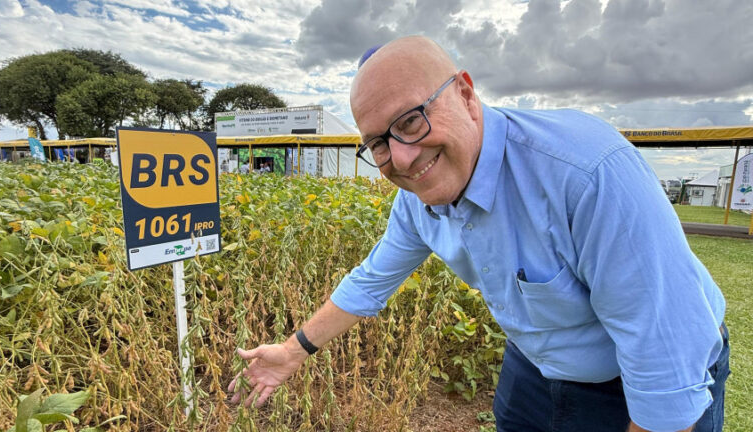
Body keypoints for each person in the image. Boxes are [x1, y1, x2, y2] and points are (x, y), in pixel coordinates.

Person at [228, 36, 728, 432]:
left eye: (411, 121)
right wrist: (291, 352)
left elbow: (663, 366)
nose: (401, 157)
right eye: (377, 143)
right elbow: (371, 281)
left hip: (632, 380)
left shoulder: (586, 172)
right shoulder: (418, 200)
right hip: (533, 365)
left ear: (466, 94)